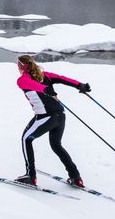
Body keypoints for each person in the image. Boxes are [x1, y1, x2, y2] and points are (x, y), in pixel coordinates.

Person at [14, 54, 91, 187]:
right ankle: (75, 177)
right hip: (60, 116)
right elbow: (58, 80)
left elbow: (55, 80)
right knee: (56, 145)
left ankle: (30, 176)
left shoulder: (22, 80)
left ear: (21, 66)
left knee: (26, 139)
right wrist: (78, 85)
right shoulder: (44, 75)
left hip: (46, 117)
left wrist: (79, 86)